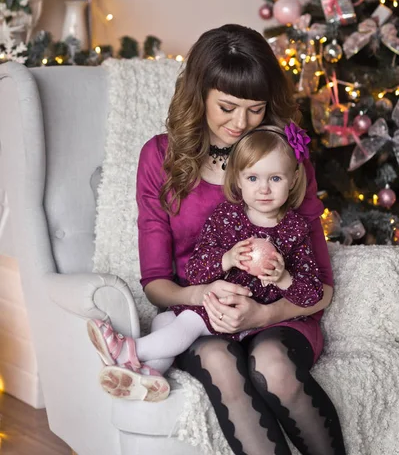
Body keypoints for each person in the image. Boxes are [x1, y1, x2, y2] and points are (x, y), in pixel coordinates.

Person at [88, 24, 346, 454]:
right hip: (201, 312)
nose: (241, 124)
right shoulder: (160, 158)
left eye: (256, 109)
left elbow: (321, 287)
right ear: (200, 94)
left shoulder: (285, 159)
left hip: (281, 310)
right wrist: (204, 294)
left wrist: (262, 316)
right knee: (220, 361)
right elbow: (156, 282)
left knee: (275, 367)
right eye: (227, 107)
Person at [88, 124, 324, 397]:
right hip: (212, 303)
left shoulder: (294, 229)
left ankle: (129, 350)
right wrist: (227, 258)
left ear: (294, 179)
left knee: (188, 323)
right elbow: (196, 270)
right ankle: (150, 376)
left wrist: (283, 278)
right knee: (165, 322)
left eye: (275, 179)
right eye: (253, 179)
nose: (264, 189)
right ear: (237, 179)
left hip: (241, 319)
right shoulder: (227, 217)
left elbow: (311, 294)